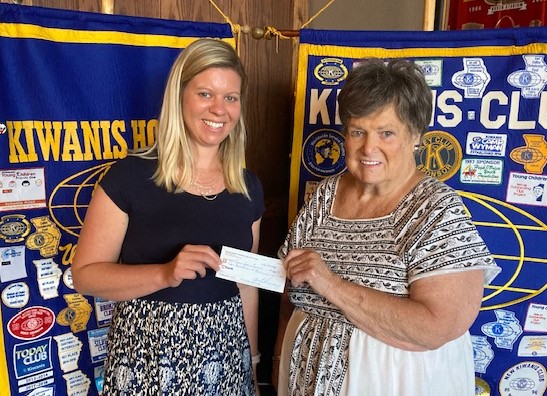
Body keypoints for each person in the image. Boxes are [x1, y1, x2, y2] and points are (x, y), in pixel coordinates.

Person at [272, 58, 501, 396]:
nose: (369, 147)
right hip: (305, 377)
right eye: (357, 131)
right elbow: (290, 288)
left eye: (386, 133)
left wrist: (330, 284)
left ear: (415, 136)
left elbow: (439, 326)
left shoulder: (435, 209)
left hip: (393, 383)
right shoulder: (326, 193)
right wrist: (278, 357)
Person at [72, 38, 264, 395]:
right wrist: (165, 273)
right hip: (147, 358)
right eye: (205, 94)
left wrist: (251, 364)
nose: (219, 109)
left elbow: (246, 284)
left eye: (231, 98)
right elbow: (85, 276)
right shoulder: (129, 177)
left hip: (226, 362)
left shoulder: (248, 187)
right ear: (180, 96)